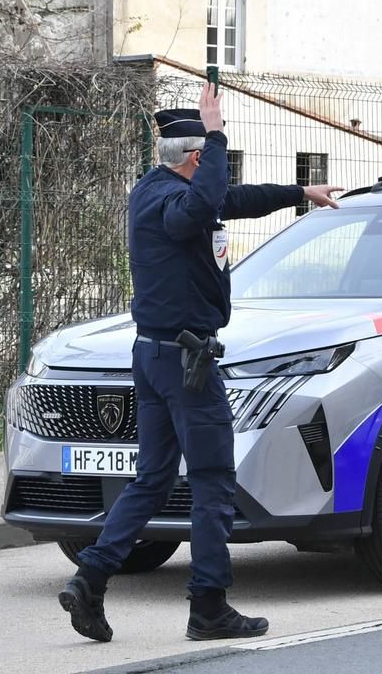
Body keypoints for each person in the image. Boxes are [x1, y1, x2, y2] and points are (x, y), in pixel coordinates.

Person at [57, 83, 343, 643]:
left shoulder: (158, 188)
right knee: (213, 480)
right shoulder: (172, 204)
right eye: (211, 158)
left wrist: (298, 191)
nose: (219, 168)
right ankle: (208, 606)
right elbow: (201, 207)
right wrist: (217, 134)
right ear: (194, 158)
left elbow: (226, 199)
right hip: (185, 361)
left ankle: (90, 576)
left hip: (155, 356)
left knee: (154, 479)